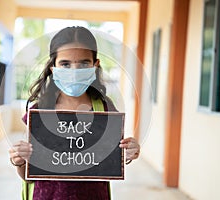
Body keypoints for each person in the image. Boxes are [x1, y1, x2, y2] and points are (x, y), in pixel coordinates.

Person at [9, 26, 140, 200]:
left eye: (84, 63)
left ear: (95, 65)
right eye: (65, 64)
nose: (74, 71)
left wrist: (128, 153)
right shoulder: (39, 112)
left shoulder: (105, 108)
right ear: (53, 68)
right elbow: (28, 175)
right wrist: (19, 161)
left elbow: (111, 160)